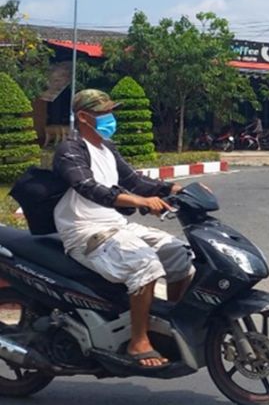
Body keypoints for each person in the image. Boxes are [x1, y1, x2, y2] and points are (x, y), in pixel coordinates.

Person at [53, 89, 191, 369]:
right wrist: (137, 200)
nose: (111, 118)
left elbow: (135, 180)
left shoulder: (107, 148)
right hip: (84, 232)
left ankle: (168, 322)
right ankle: (138, 341)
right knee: (145, 264)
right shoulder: (71, 149)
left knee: (180, 253)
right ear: (83, 116)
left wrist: (175, 189)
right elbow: (88, 187)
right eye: (104, 113)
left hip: (115, 226)